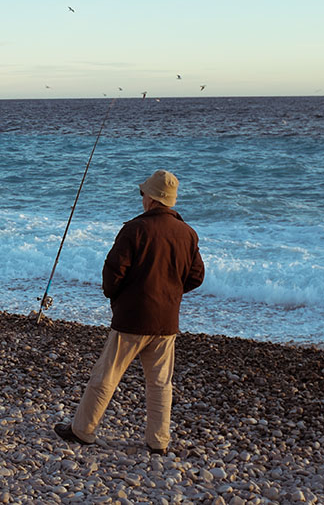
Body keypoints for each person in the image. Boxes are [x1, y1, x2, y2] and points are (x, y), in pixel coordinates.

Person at [54, 169, 204, 454]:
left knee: (106, 376)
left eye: (143, 193)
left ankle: (83, 430)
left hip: (132, 318)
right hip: (166, 321)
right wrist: (170, 293)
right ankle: (158, 442)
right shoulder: (187, 233)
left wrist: (116, 295)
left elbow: (113, 273)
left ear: (152, 198)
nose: (142, 197)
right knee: (160, 384)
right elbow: (196, 276)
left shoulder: (135, 229)